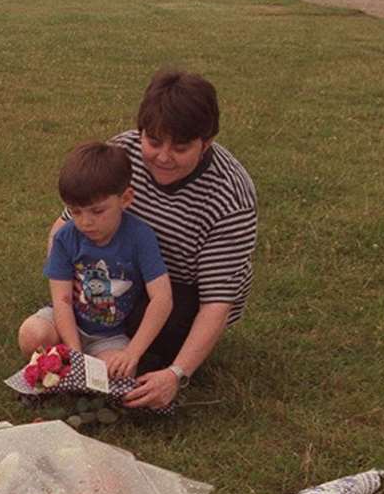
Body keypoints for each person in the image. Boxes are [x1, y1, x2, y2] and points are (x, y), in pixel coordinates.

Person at [20, 68, 257, 410]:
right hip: (115, 279)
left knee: (153, 353)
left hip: (181, 291)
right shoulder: (123, 152)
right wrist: (68, 287)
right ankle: (84, 351)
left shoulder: (231, 195)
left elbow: (218, 302)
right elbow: (66, 225)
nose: (163, 156)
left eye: (180, 147)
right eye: (154, 141)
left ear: (206, 143)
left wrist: (176, 373)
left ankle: (139, 357)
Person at [19, 140, 173, 379]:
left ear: (126, 199)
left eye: (97, 211)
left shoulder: (140, 237)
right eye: (76, 211)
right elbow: (62, 300)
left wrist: (132, 352)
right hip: (64, 323)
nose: (85, 222)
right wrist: (74, 352)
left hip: (109, 336)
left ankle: (64, 368)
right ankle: (63, 364)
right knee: (31, 334)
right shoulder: (65, 237)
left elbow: (162, 299)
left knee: (117, 372)